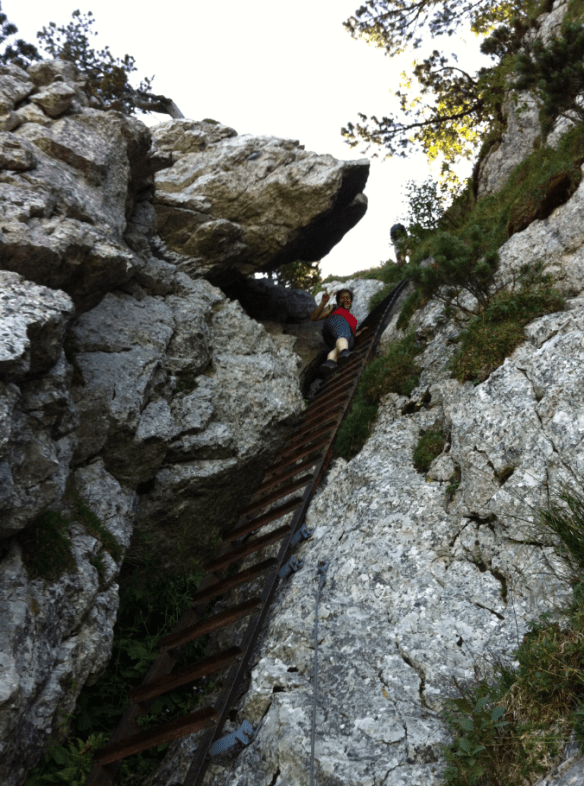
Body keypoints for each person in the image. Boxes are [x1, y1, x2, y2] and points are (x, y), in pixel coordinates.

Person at [310, 288, 367, 373]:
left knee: (339, 345)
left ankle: (330, 361)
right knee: (343, 333)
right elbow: (313, 318)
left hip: (340, 340)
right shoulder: (334, 308)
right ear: (338, 301)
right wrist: (323, 303)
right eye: (342, 298)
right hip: (334, 325)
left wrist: (361, 332)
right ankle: (344, 351)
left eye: (347, 298)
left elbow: (352, 335)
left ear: (351, 301)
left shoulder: (353, 320)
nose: (345, 300)